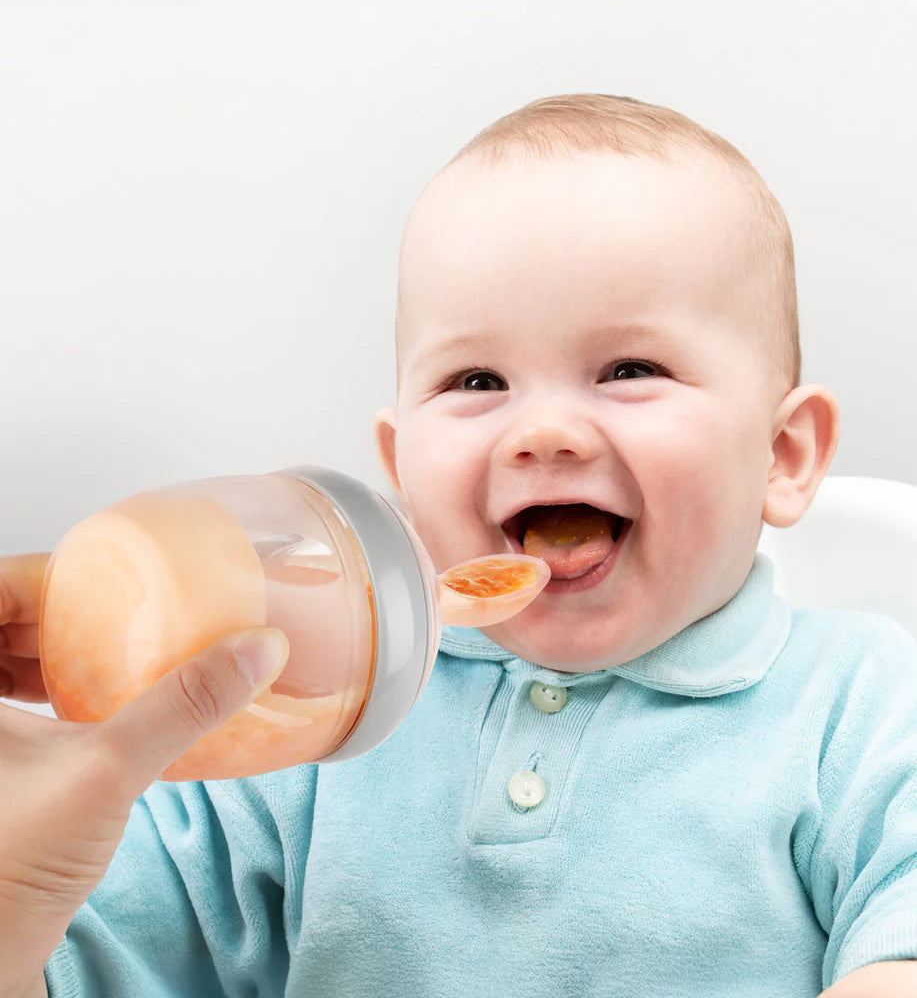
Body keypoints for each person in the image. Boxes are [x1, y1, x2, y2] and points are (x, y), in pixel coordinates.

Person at [2, 94, 916, 998]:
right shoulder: (305, 710)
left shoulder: (861, 707)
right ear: (399, 471)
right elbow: (55, 954)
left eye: (629, 370)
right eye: (477, 379)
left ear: (782, 456)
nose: (542, 430)